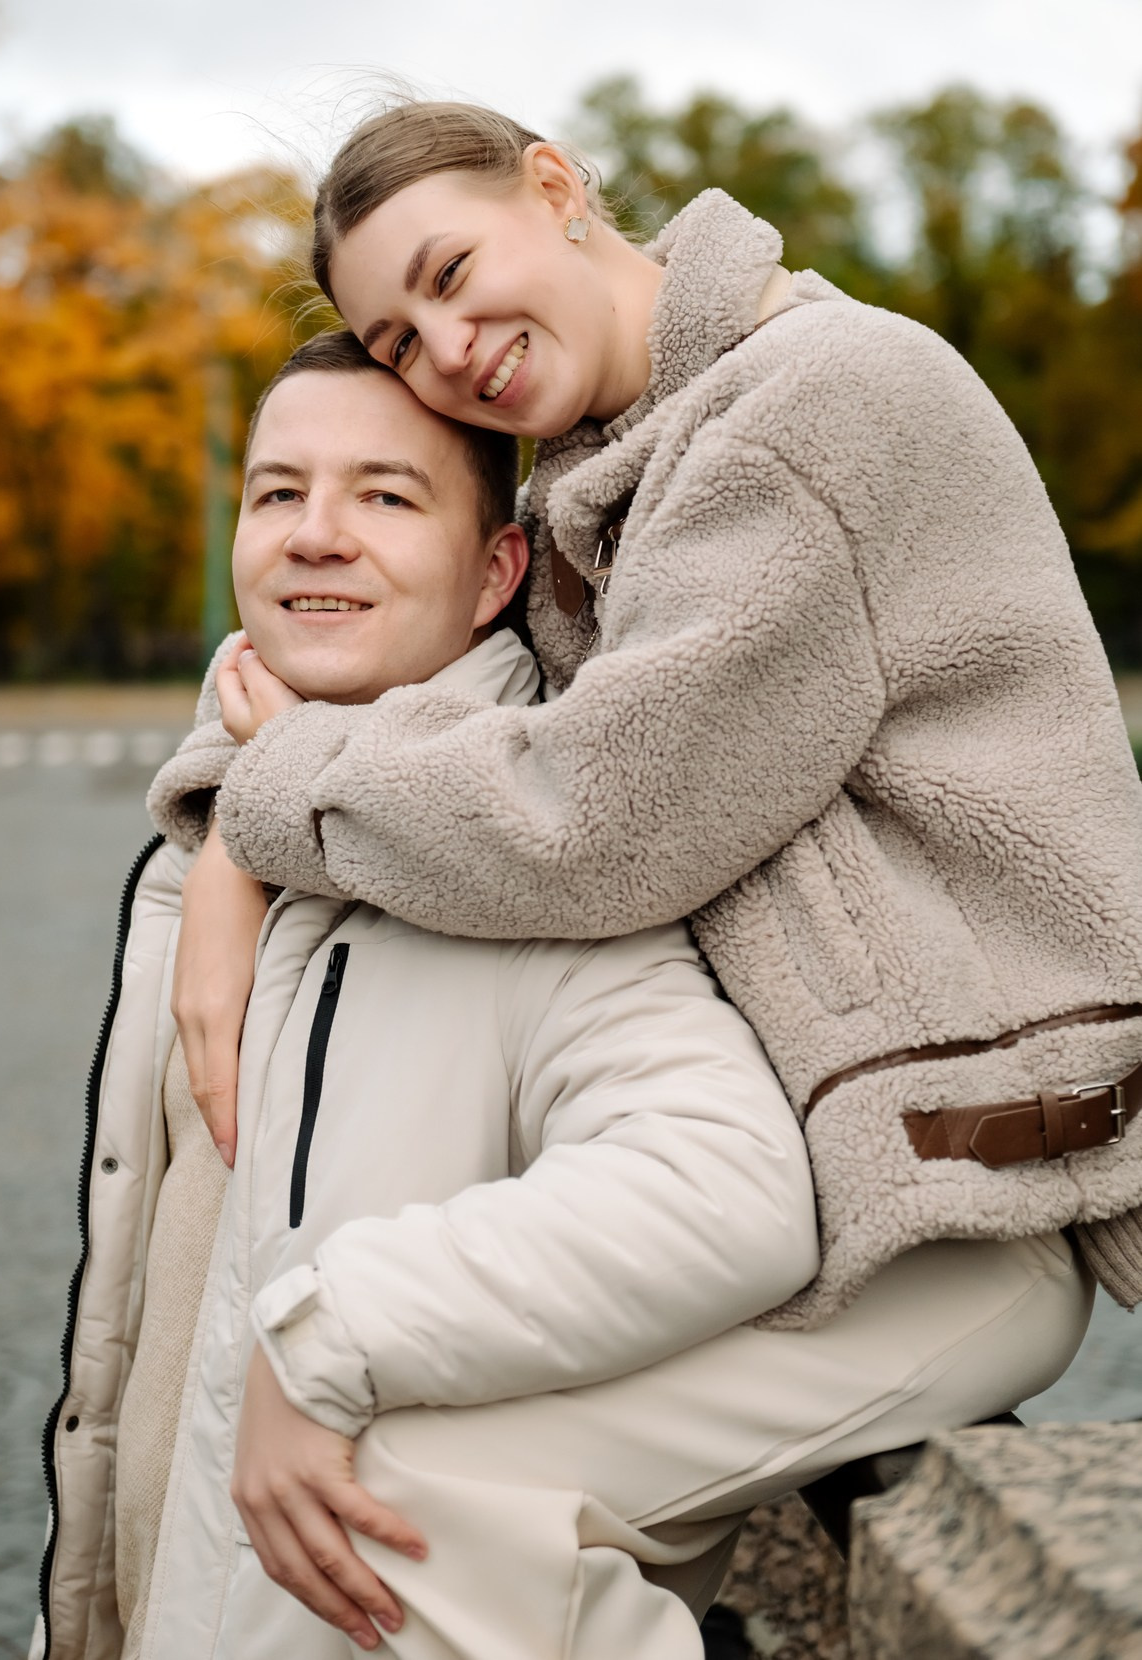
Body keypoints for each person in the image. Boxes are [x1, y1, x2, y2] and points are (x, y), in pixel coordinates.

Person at [160, 99, 1142, 1333]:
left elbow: (594, 818)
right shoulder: (599, 463)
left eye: (451, 274)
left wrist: (266, 801)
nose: (450, 349)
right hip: (860, 1168)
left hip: (964, 1183)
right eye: (398, 340)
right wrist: (226, 845)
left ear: (557, 188)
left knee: (384, 1461)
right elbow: (366, 652)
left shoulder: (804, 409)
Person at [37, 330, 831, 1660]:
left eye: (386, 497)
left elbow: (728, 1188)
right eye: (279, 491)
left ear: (494, 574)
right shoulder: (205, 843)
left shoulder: (536, 880)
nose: (316, 535)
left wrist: (336, 1330)